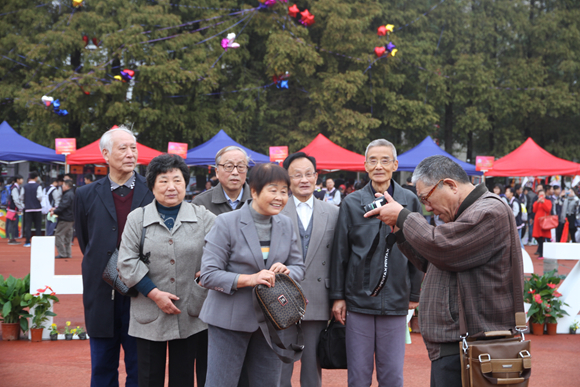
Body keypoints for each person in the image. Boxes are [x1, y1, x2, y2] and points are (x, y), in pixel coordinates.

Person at [363, 155, 525, 387]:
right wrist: (400, 229)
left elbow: (444, 248)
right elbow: (435, 259)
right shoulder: (467, 214)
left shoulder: (490, 211)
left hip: (475, 347)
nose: (427, 209)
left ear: (450, 185)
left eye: (426, 199)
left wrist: (404, 216)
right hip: (459, 346)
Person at [200, 163, 305, 387]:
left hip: (271, 322)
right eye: (273, 190)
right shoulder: (226, 223)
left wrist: (287, 272)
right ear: (255, 191)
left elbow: (298, 266)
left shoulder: (286, 224)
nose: (280, 197)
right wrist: (250, 279)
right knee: (222, 383)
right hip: (229, 320)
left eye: (284, 191)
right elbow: (208, 275)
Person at [329, 139, 423, 387]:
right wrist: (338, 296)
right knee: (358, 376)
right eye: (373, 160)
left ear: (395, 165)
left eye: (385, 160)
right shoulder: (351, 203)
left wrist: (414, 292)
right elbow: (340, 253)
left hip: (395, 300)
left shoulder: (410, 202)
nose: (379, 166)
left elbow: (419, 248)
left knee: (392, 375)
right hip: (358, 301)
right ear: (365, 166)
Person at [117, 154, 216, 387]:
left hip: (190, 311)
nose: (171, 187)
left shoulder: (203, 217)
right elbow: (126, 262)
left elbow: (222, 253)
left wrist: (206, 277)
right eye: (163, 181)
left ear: (186, 184)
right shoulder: (137, 218)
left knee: (183, 378)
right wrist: (154, 293)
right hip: (148, 311)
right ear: (152, 185)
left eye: (177, 180)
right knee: (148, 377)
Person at [75, 126, 154, 387]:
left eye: (134, 148)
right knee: (102, 367)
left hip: (143, 291)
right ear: (105, 155)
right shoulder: (85, 194)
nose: (131, 154)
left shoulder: (152, 190)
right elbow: (87, 241)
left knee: (141, 368)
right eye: (123, 148)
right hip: (101, 291)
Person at [279, 152, 339, 387]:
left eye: (308, 174)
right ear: (287, 178)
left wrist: (338, 297)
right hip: (280, 297)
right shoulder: (275, 209)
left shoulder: (333, 212)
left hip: (317, 296)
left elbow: (339, 258)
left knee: (312, 363)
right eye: (297, 175)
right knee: (280, 361)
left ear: (316, 177)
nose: (304, 180)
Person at [192, 146, 252, 214]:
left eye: (241, 166)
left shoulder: (258, 199)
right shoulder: (201, 202)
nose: (235, 172)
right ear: (217, 172)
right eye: (229, 166)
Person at [52, 180, 75, 258]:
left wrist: (55, 211)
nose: (62, 187)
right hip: (71, 218)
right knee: (68, 237)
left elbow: (63, 206)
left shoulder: (67, 195)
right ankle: (68, 253)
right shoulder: (72, 194)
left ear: (67, 186)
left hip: (65, 218)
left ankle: (62, 253)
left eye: (63, 185)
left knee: (58, 235)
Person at [22, 172, 43, 247]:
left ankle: (27, 241)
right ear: (36, 178)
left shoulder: (25, 186)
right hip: (37, 209)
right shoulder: (38, 186)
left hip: (28, 209)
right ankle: (38, 242)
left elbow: (21, 197)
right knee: (38, 226)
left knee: (28, 226)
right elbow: (40, 196)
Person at [6, 175, 24, 245]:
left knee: (12, 224)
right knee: (11, 224)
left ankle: (12, 238)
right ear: (17, 180)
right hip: (13, 208)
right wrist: (20, 207)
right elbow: (16, 199)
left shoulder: (15, 187)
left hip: (12, 208)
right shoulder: (15, 188)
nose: (22, 181)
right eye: (21, 179)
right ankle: (11, 238)